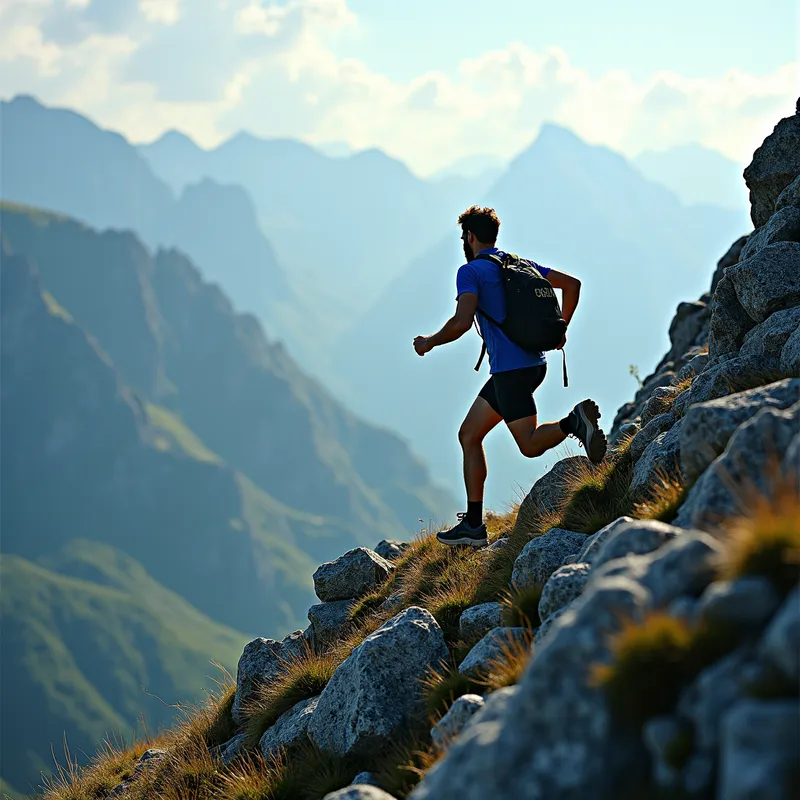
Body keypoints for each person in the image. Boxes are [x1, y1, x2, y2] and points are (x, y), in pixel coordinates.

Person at [413, 205, 607, 547]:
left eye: (464, 236)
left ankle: (573, 422)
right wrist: (562, 329)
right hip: (534, 364)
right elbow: (572, 285)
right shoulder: (520, 264)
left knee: (529, 445)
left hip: (511, 371)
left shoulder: (470, 272)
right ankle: (473, 525)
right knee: (469, 434)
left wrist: (429, 342)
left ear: (470, 237)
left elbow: (461, 322)